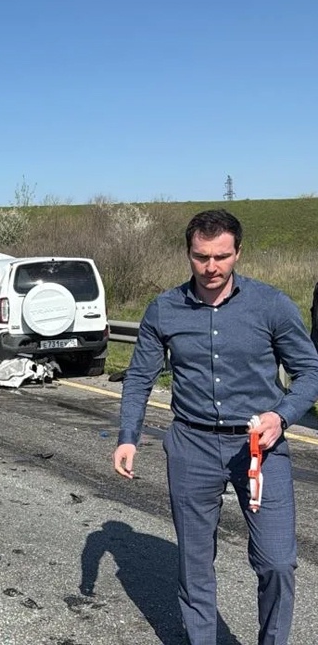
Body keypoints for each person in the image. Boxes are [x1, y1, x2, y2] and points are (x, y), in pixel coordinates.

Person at [113, 209, 318, 645]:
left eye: (221, 257)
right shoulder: (164, 308)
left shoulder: (272, 304)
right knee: (195, 565)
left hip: (260, 447)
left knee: (278, 562)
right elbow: (139, 377)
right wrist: (128, 436)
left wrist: (282, 415)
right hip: (192, 445)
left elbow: (310, 371)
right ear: (188, 253)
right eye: (201, 257)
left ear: (238, 252)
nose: (211, 267)